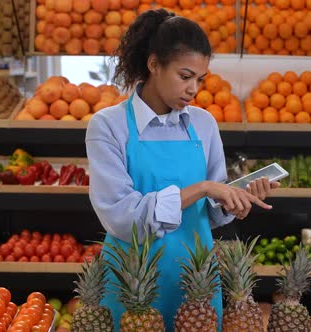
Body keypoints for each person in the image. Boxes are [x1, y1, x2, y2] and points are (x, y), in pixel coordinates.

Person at [86, 8, 279, 330]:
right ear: (153, 64)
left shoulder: (203, 124)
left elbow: (213, 213)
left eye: (200, 79)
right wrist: (203, 188)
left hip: (196, 281)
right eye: (185, 76)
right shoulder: (108, 125)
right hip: (133, 285)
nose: (193, 89)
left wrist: (236, 200)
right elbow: (121, 217)